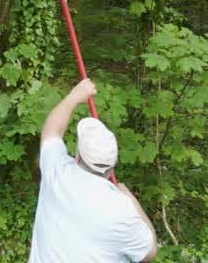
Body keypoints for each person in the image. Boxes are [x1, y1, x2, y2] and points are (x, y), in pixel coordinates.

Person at [29, 78, 158, 263]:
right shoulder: (122, 210)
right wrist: (132, 200)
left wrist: (74, 97)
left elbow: (51, 132)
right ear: (113, 165)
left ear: (78, 156)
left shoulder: (57, 172)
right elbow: (149, 252)